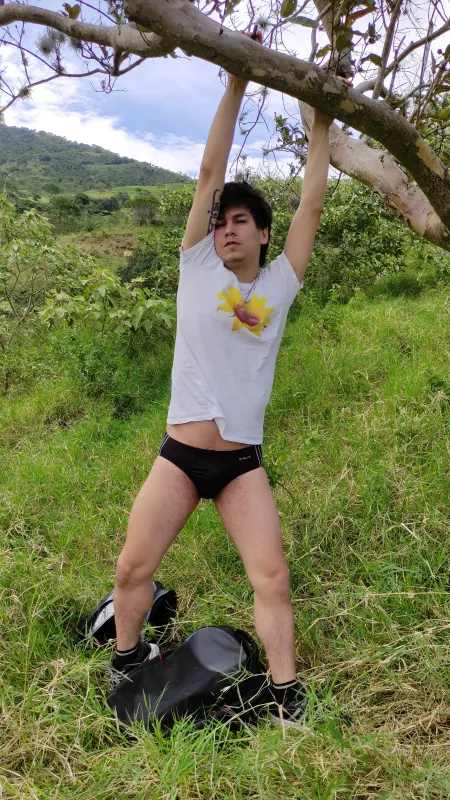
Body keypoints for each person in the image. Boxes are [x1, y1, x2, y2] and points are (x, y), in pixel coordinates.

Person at [109, 29, 343, 727]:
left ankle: (286, 696)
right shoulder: (197, 267)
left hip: (241, 464)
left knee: (272, 577)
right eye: (222, 224)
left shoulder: (279, 285)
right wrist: (237, 80)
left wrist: (322, 123)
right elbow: (211, 170)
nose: (228, 231)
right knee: (131, 569)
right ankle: (127, 661)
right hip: (181, 456)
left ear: (263, 234)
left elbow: (311, 206)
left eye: (242, 222)